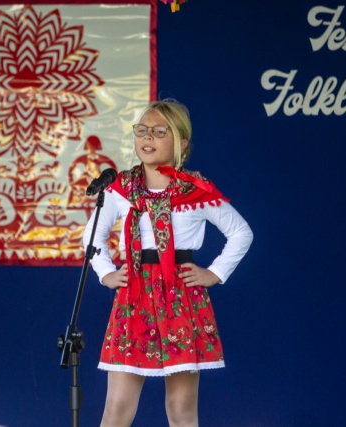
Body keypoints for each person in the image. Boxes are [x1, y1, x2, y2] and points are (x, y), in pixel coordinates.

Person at [82, 98, 253, 427]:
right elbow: (92, 236)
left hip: (179, 298)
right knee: (117, 406)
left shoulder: (196, 190)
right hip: (134, 298)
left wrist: (214, 273)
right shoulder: (121, 189)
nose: (148, 137)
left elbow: (241, 232)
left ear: (181, 143)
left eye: (160, 131)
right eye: (142, 130)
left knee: (181, 408)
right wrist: (105, 273)